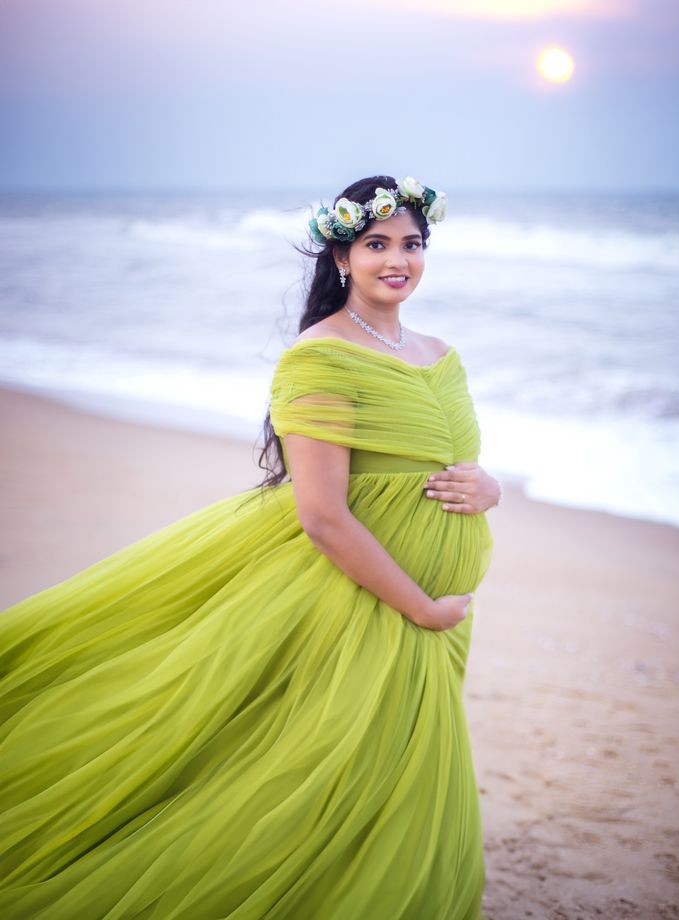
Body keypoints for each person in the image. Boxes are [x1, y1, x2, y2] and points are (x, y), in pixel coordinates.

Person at [0, 174, 502, 919]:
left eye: (411, 244)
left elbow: (450, 463)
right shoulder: (320, 357)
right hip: (369, 596)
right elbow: (323, 515)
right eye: (376, 245)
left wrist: (488, 489)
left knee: (394, 770)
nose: (398, 259)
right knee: (325, 773)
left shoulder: (440, 352)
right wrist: (421, 606)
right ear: (341, 257)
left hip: (435, 606)